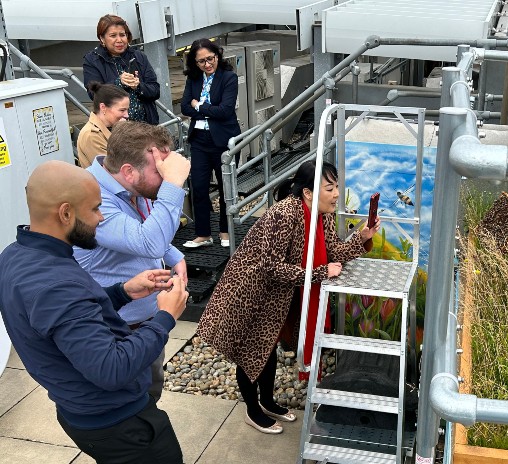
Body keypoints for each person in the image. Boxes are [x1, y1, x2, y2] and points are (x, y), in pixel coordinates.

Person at [0, 160, 189, 463]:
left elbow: (60, 319)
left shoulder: (14, 255)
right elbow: (111, 369)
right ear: (65, 213)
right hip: (119, 424)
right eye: (95, 209)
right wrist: (165, 317)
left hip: (80, 412)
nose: (101, 218)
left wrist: (121, 292)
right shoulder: (56, 284)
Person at [197, 160, 380, 433]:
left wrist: (362, 236)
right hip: (253, 292)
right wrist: (319, 273)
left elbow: (333, 253)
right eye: (329, 188)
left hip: (281, 294)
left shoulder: (323, 215)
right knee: (253, 351)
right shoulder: (283, 213)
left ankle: (267, 402)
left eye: (337, 186)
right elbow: (271, 267)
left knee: (267, 348)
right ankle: (252, 409)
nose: (337, 194)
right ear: (308, 192)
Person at [75, 121, 190, 399]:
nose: (164, 177)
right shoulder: (92, 197)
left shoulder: (132, 185)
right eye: (159, 171)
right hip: (117, 328)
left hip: (144, 318)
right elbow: (148, 241)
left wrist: (174, 256)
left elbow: (147, 228)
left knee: (150, 393)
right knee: (135, 403)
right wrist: (173, 185)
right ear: (128, 171)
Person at [180, 39, 241, 248]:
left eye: (210, 59)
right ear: (194, 63)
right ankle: (203, 234)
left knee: (226, 188)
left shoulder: (228, 77)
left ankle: (225, 231)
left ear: (218, 55)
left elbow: (225, 110)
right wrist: (205, 108)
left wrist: (198, 106)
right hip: (199, 140)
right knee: (198, 187)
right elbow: (184, 107)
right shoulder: (194, 80)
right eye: (201, 61)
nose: (207, 64)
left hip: (223, 140)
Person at [83, 14, 160, 125]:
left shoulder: (138, 56)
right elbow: (94, 94)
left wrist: (138, 86)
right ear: (102, 38)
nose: (119, 40)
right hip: (115, 129)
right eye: (113, 36)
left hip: (146, 126)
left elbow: (155, 91)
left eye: (122, 35)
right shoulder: (92, 60)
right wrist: (119, 82)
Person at [76, 82, 129, 168]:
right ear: (103, 107)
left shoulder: (110, 127)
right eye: (122, 110)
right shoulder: (91, 135)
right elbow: (113, 169)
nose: (127, 115)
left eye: (127, 110)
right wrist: (121, 133)